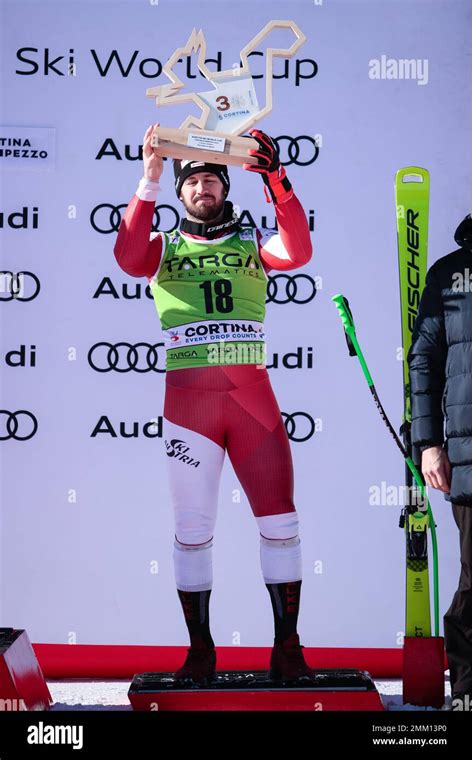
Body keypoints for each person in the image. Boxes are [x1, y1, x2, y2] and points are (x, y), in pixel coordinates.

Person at [113, 123, 314, 683]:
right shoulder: (163, 248)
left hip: (252, 403)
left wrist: (277, 180)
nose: (203, 187)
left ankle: (287, 649)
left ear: (226, 188)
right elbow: (128, 257)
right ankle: (200, 649)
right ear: (181, 194)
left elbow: (298, 249)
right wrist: (149, 178)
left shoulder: (252, 242)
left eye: (212, 180)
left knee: (281, 523)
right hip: (190, 407)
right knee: (193, 530)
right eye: (193, 181)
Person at [408, 212, 472, 706]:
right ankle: (470, 696)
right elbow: (424, 361)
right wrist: (429, 443)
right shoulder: (450, 272)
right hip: (471, 457)